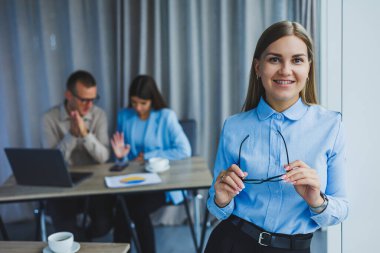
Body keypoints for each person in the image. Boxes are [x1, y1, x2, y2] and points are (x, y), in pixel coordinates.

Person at [205, 21, 348, 253]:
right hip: (231, 243)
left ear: (309, 68)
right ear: (258, 67)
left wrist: (317, 201)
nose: (285, 70)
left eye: (297, 60)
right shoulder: (233, 126)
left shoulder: (331, 126)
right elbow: (216, 206)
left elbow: (341, 209)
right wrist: (221, 198)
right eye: (274, 59)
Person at [111, 75, 191, 253]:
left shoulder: (166, 116)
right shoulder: (124, 116)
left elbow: (185, 150)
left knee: (137, 210)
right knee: (121, 208)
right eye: (133, 102)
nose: (137, 108)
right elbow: (122, 158)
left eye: (143, 103)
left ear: (152, 100)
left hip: (162, 181)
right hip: (134, 180)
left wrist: (148, 155)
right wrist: (120, 157)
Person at [41, 70, 114, 241]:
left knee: (104, 225)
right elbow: (52, 163)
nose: (90, 105)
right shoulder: (49, 118)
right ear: (68, 95)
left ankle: (84, 241)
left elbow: (103, 157)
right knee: (66, 232)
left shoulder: (99, 115)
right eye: (84, 100)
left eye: (93, 99)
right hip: (63, 185)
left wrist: (86, 134)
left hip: (95, 183)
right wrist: (72, 136)